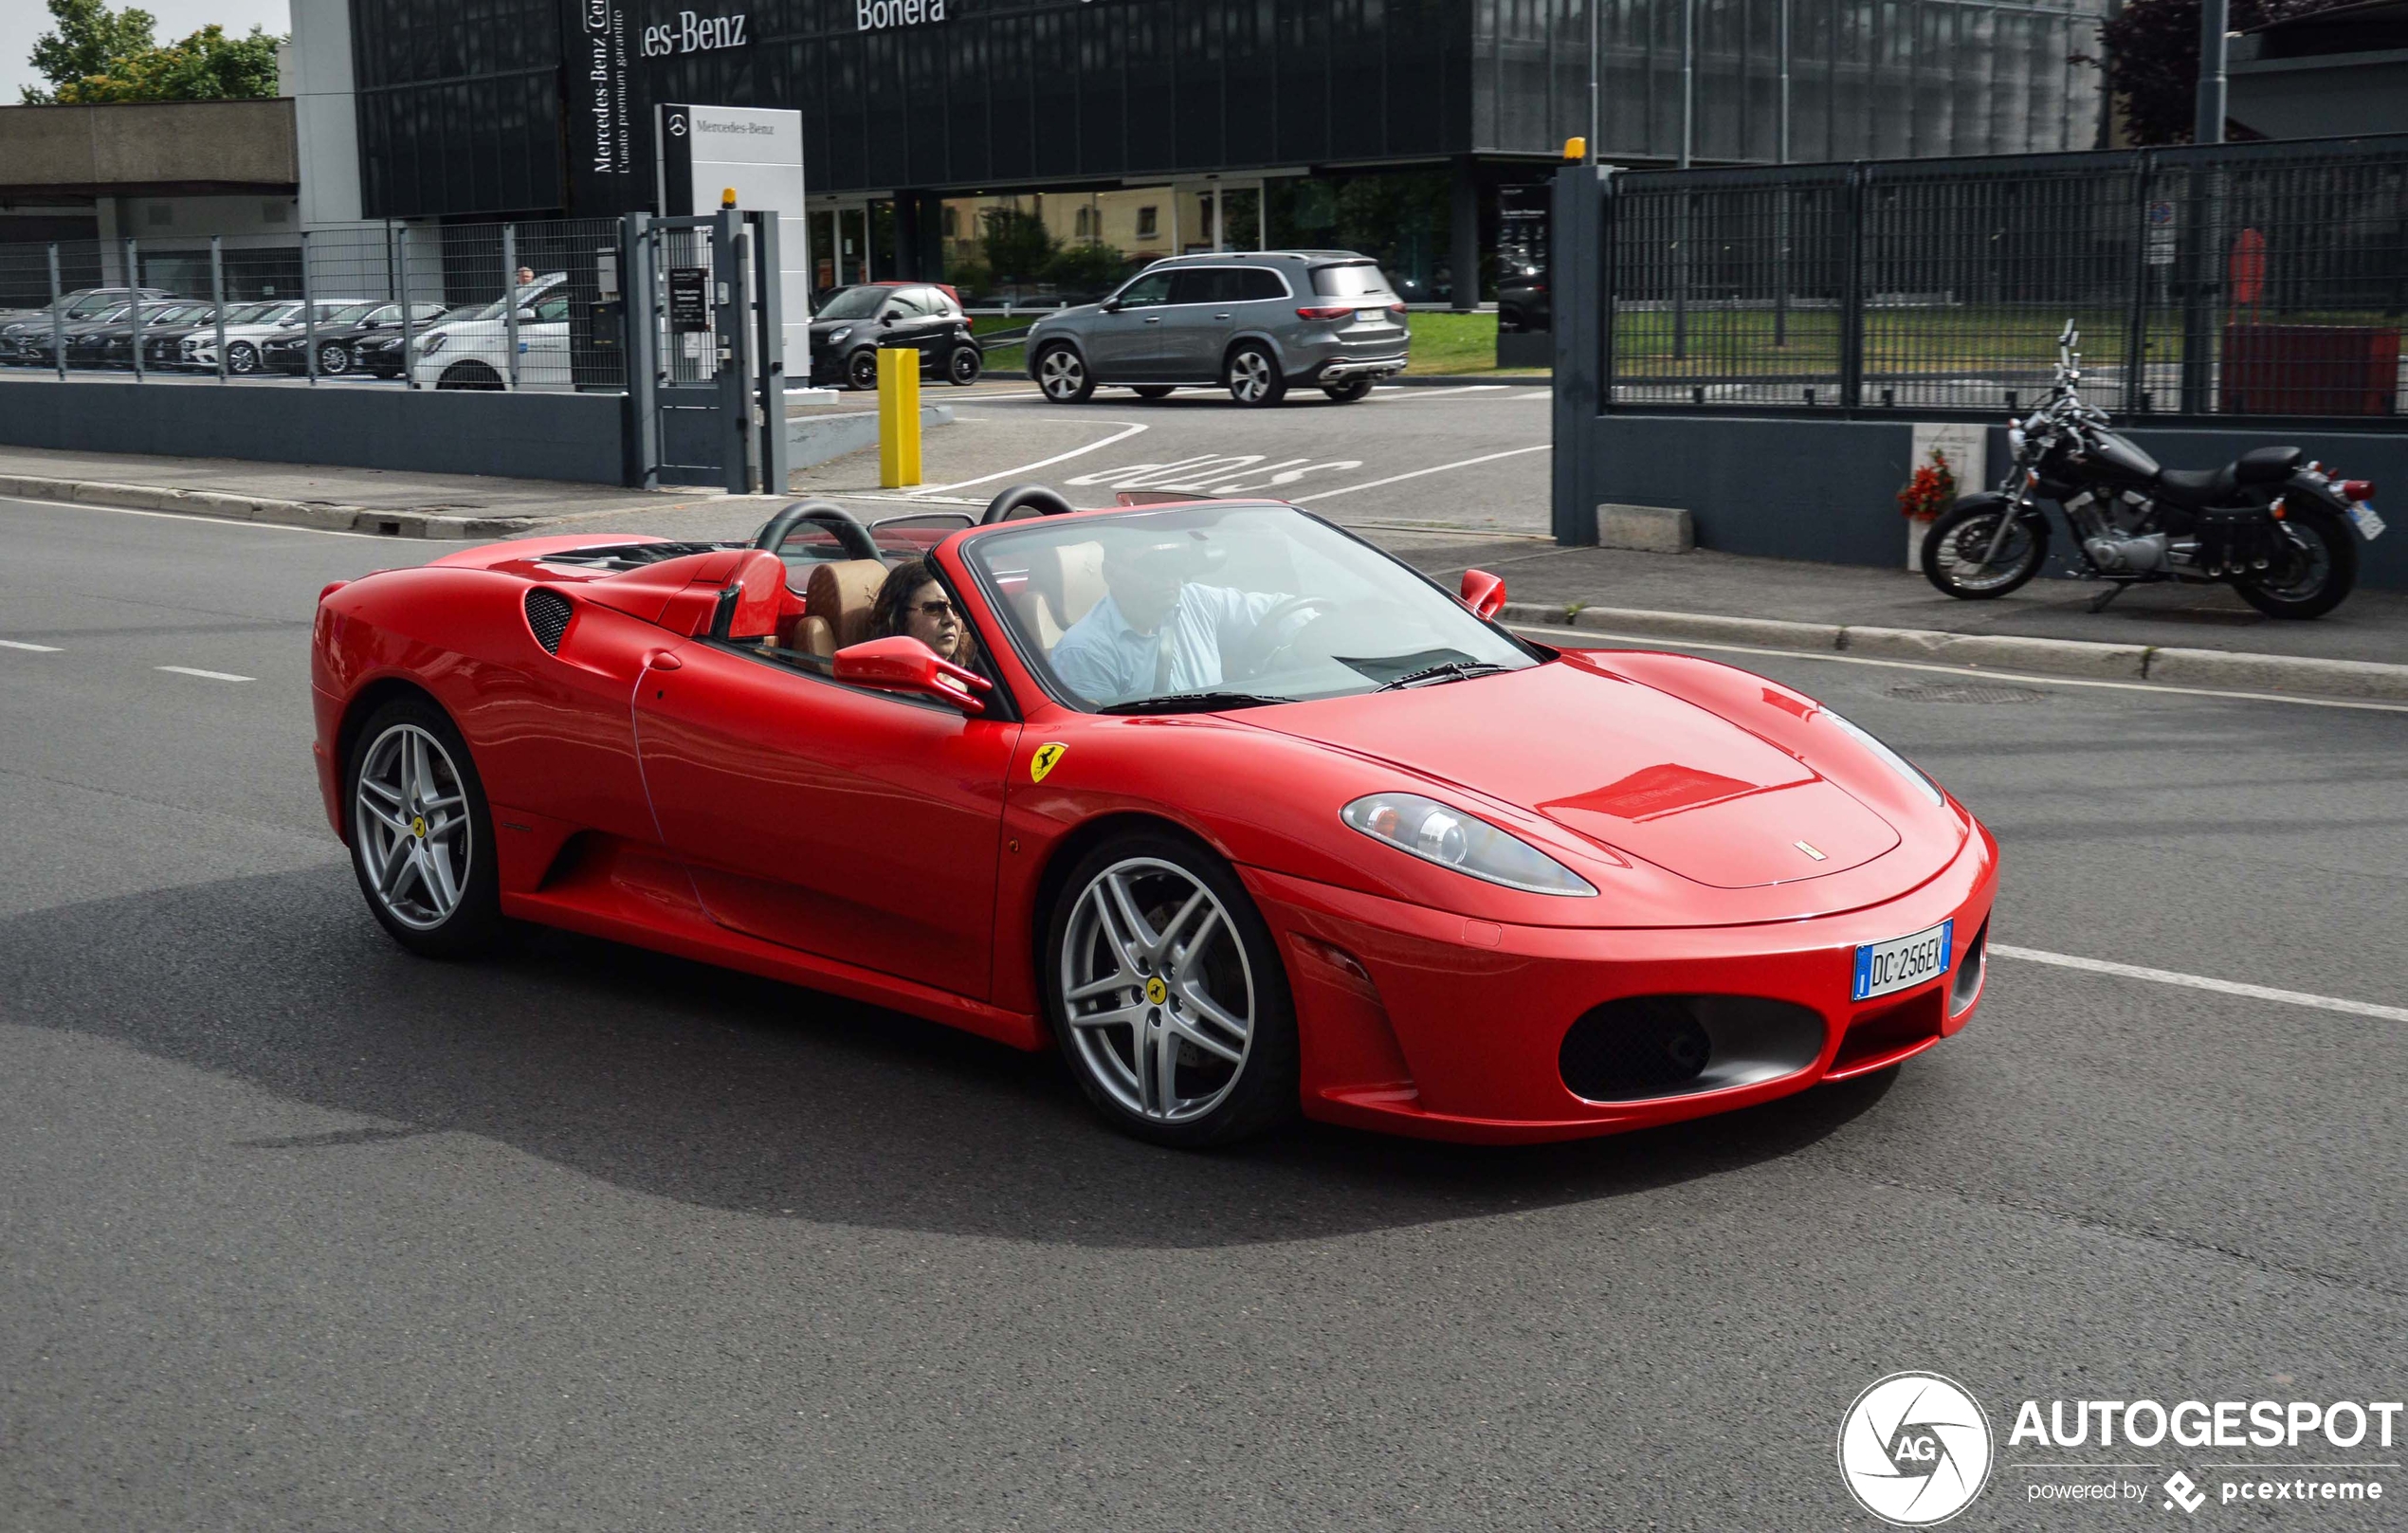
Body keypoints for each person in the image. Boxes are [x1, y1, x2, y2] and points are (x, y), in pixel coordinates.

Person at [1049, 530, 1290, 704]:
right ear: (1111, 573)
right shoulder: (1083, 652)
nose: (1169, 578)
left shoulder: (1197, 601)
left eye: (1175, 564)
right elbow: (1099, 743)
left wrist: (1318, 628)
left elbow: (1279, 609)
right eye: (1152, 566)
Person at [869, 557, 972, 666]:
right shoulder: (887, 680)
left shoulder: (970, 672)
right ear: (898, 617)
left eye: (956, 608)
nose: (951, 619)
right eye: (934, 608)